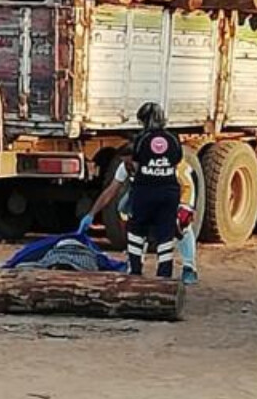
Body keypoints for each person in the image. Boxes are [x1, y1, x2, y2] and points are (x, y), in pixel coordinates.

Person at [80, 102, 194, 279]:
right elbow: (176, 161)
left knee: (137, 230)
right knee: (165, 235)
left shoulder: (142, 140)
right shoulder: (172, 139)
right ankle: (164, 277)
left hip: (147, 193)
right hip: (169, 194)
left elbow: (141, 163)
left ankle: (136, 270)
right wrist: (92, 213)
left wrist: (186, 207)